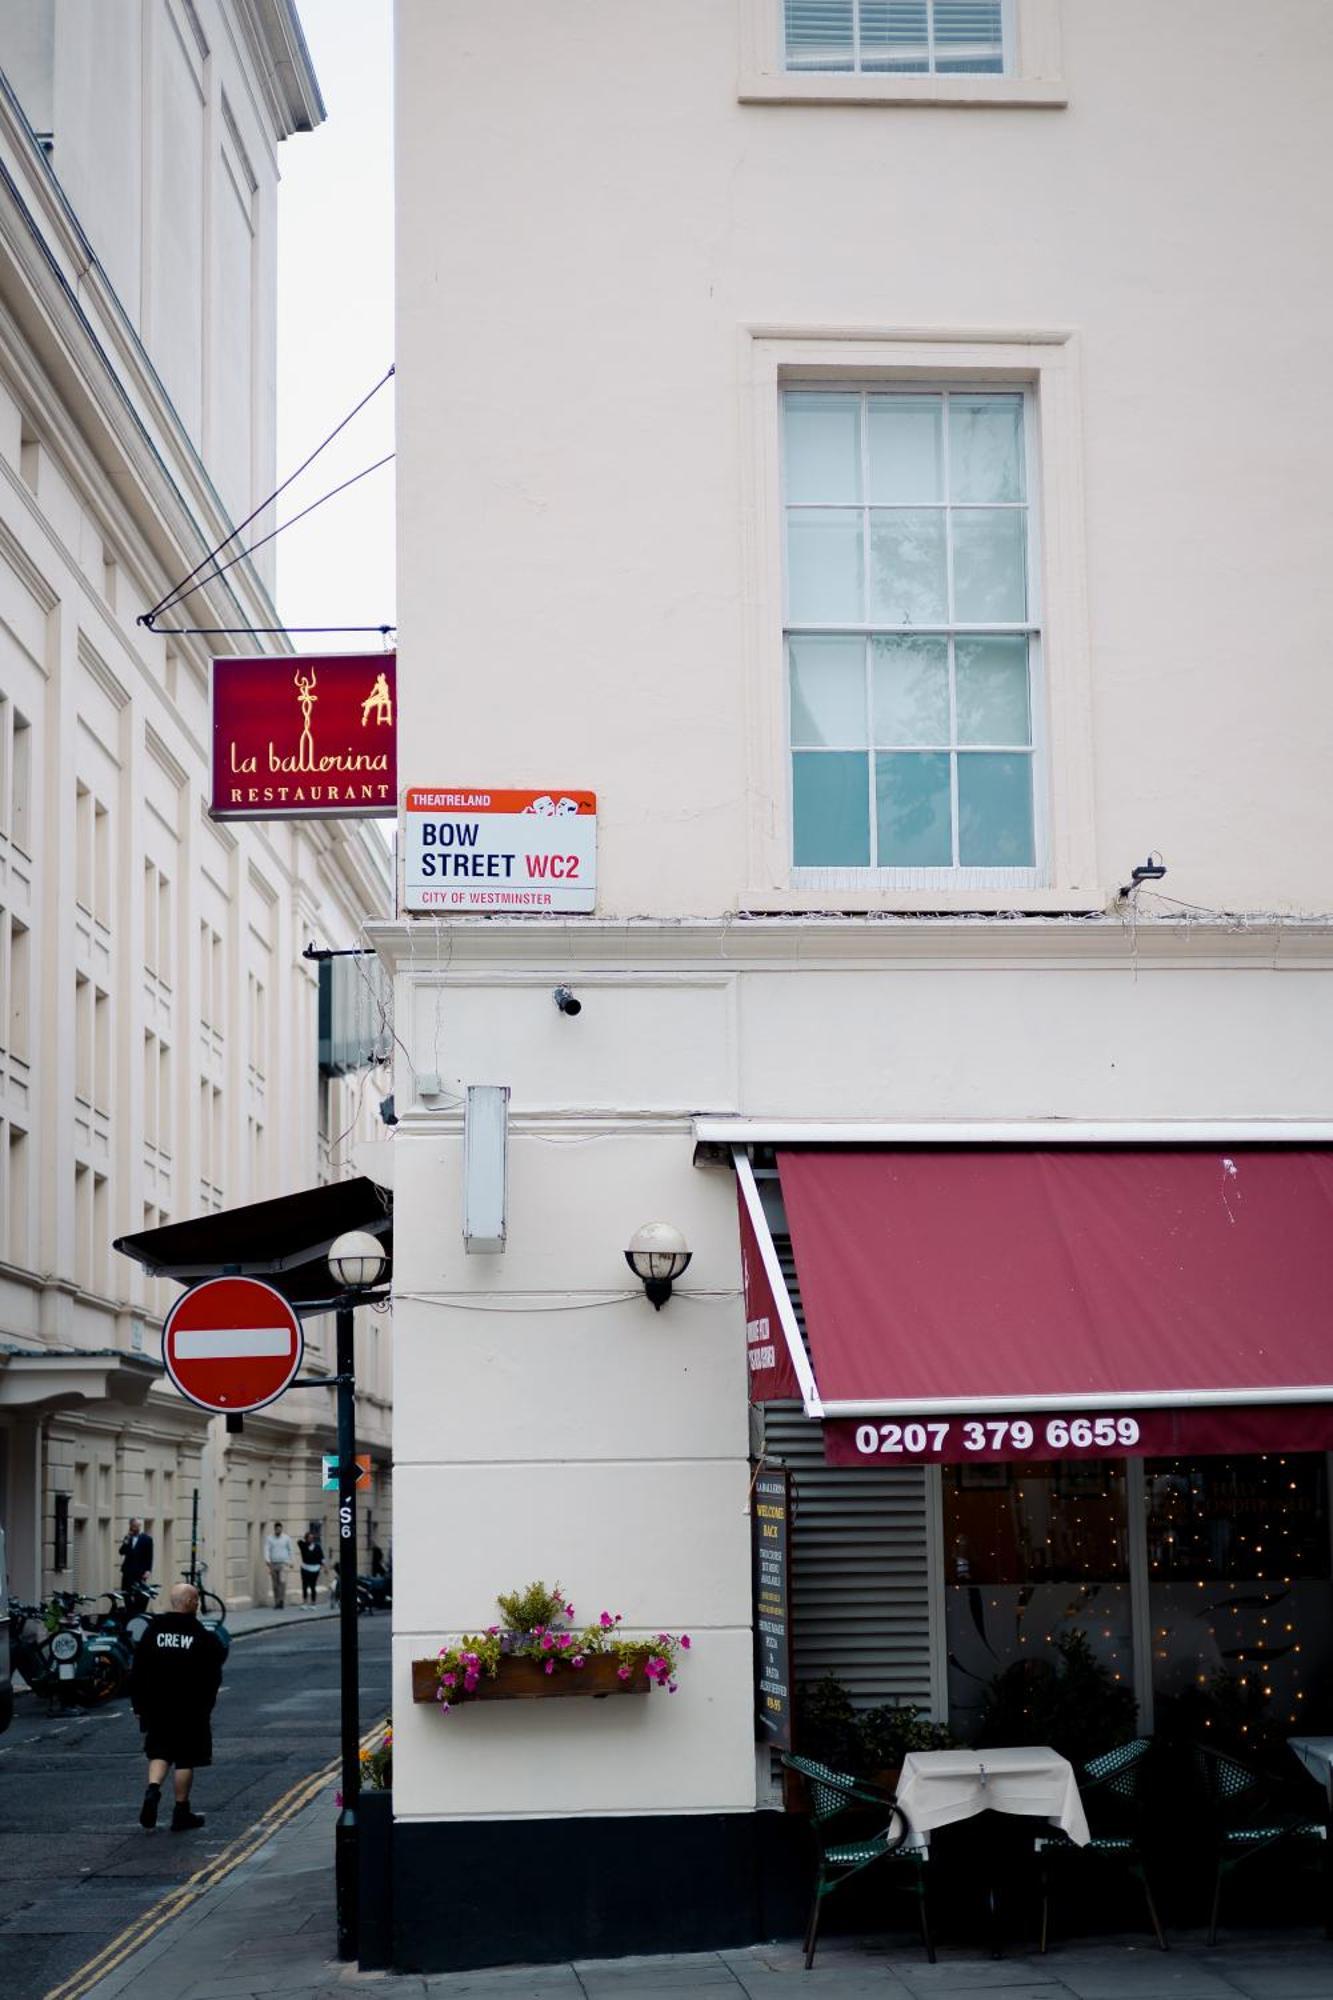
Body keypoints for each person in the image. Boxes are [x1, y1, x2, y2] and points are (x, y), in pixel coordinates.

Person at [130, 1580, 224, 1833]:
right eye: (196, 1600)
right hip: (189, 1708)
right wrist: (207, 1703)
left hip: (156, 1706)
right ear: (192, 1603)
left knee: (159, 1751)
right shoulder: (200, 1634)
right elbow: (216, 1663)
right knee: (185, 1758)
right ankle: (181, 1812)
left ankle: (152, 1790)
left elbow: (137, 1668)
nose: (198, 1604)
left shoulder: (154, 1630)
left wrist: (138, 1704)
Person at [118, 1518, 153, 1595]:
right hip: (127, 1571)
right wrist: (126, 1541)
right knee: (126, 1593)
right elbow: (121, 1552)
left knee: (139, 1594)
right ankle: (128, 1607)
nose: (134, 1528)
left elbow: (149, 1556)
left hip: (140, 1572)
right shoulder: (128, 1538)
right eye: (133, 1526)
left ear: (139, 1526)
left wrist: (148, 1570)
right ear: (130, 1526)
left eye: (136, 1526)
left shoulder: (147, 1539)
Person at [264, 1521, 294, 1607]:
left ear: (281, 1529)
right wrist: (267, 1560)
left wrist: (291, 1562)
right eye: (277, 1529)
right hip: (273, 1563)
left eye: (280, 1529)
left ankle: (281, 1600)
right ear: (275, 1529)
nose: (278, 1531)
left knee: (282, 1582)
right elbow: (266, 1549)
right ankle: (276, 1601)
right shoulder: (269, 1538)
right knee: (275, 1584)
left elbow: (290, 1550)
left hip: (283, 1563)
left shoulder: (286, 1538)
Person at [297, 1525, 324, 1606]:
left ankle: (313, 1602)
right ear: (306, 1538)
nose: (311, 1539)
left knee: (313, 1585)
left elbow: (321, 1557)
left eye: (312, 1538)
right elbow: (299, 1541)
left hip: (315, 1568)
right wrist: (306, 1542)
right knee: (304, 1585)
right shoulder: (304, 1546)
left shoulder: (317, 1547)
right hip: (305, 1567)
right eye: (309, 1537)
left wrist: (324, 1566)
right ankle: (304, 1601)